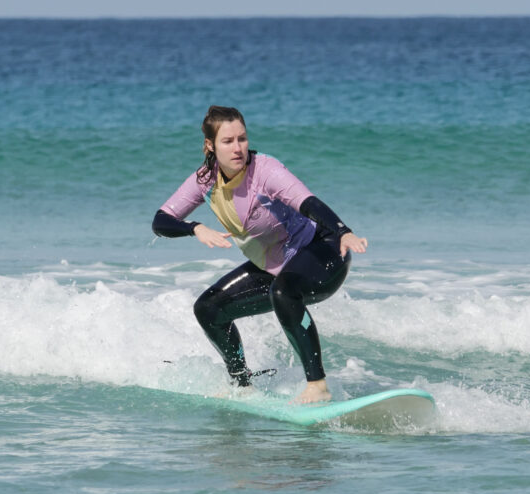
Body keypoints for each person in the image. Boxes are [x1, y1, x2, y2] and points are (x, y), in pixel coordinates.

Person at [152, 105, 368, 404]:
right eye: (228, 141)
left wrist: (343, 230)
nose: (238, 147)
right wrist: (195, 228)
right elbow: (161, 221)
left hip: (323, 249)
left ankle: (317, 386)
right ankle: (242, 385)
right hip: (274, 265)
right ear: (210, 145)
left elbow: (307, 202)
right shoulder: (205, 179)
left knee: (284, 292)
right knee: (209, 309)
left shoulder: (265, 170)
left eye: (242, 138)